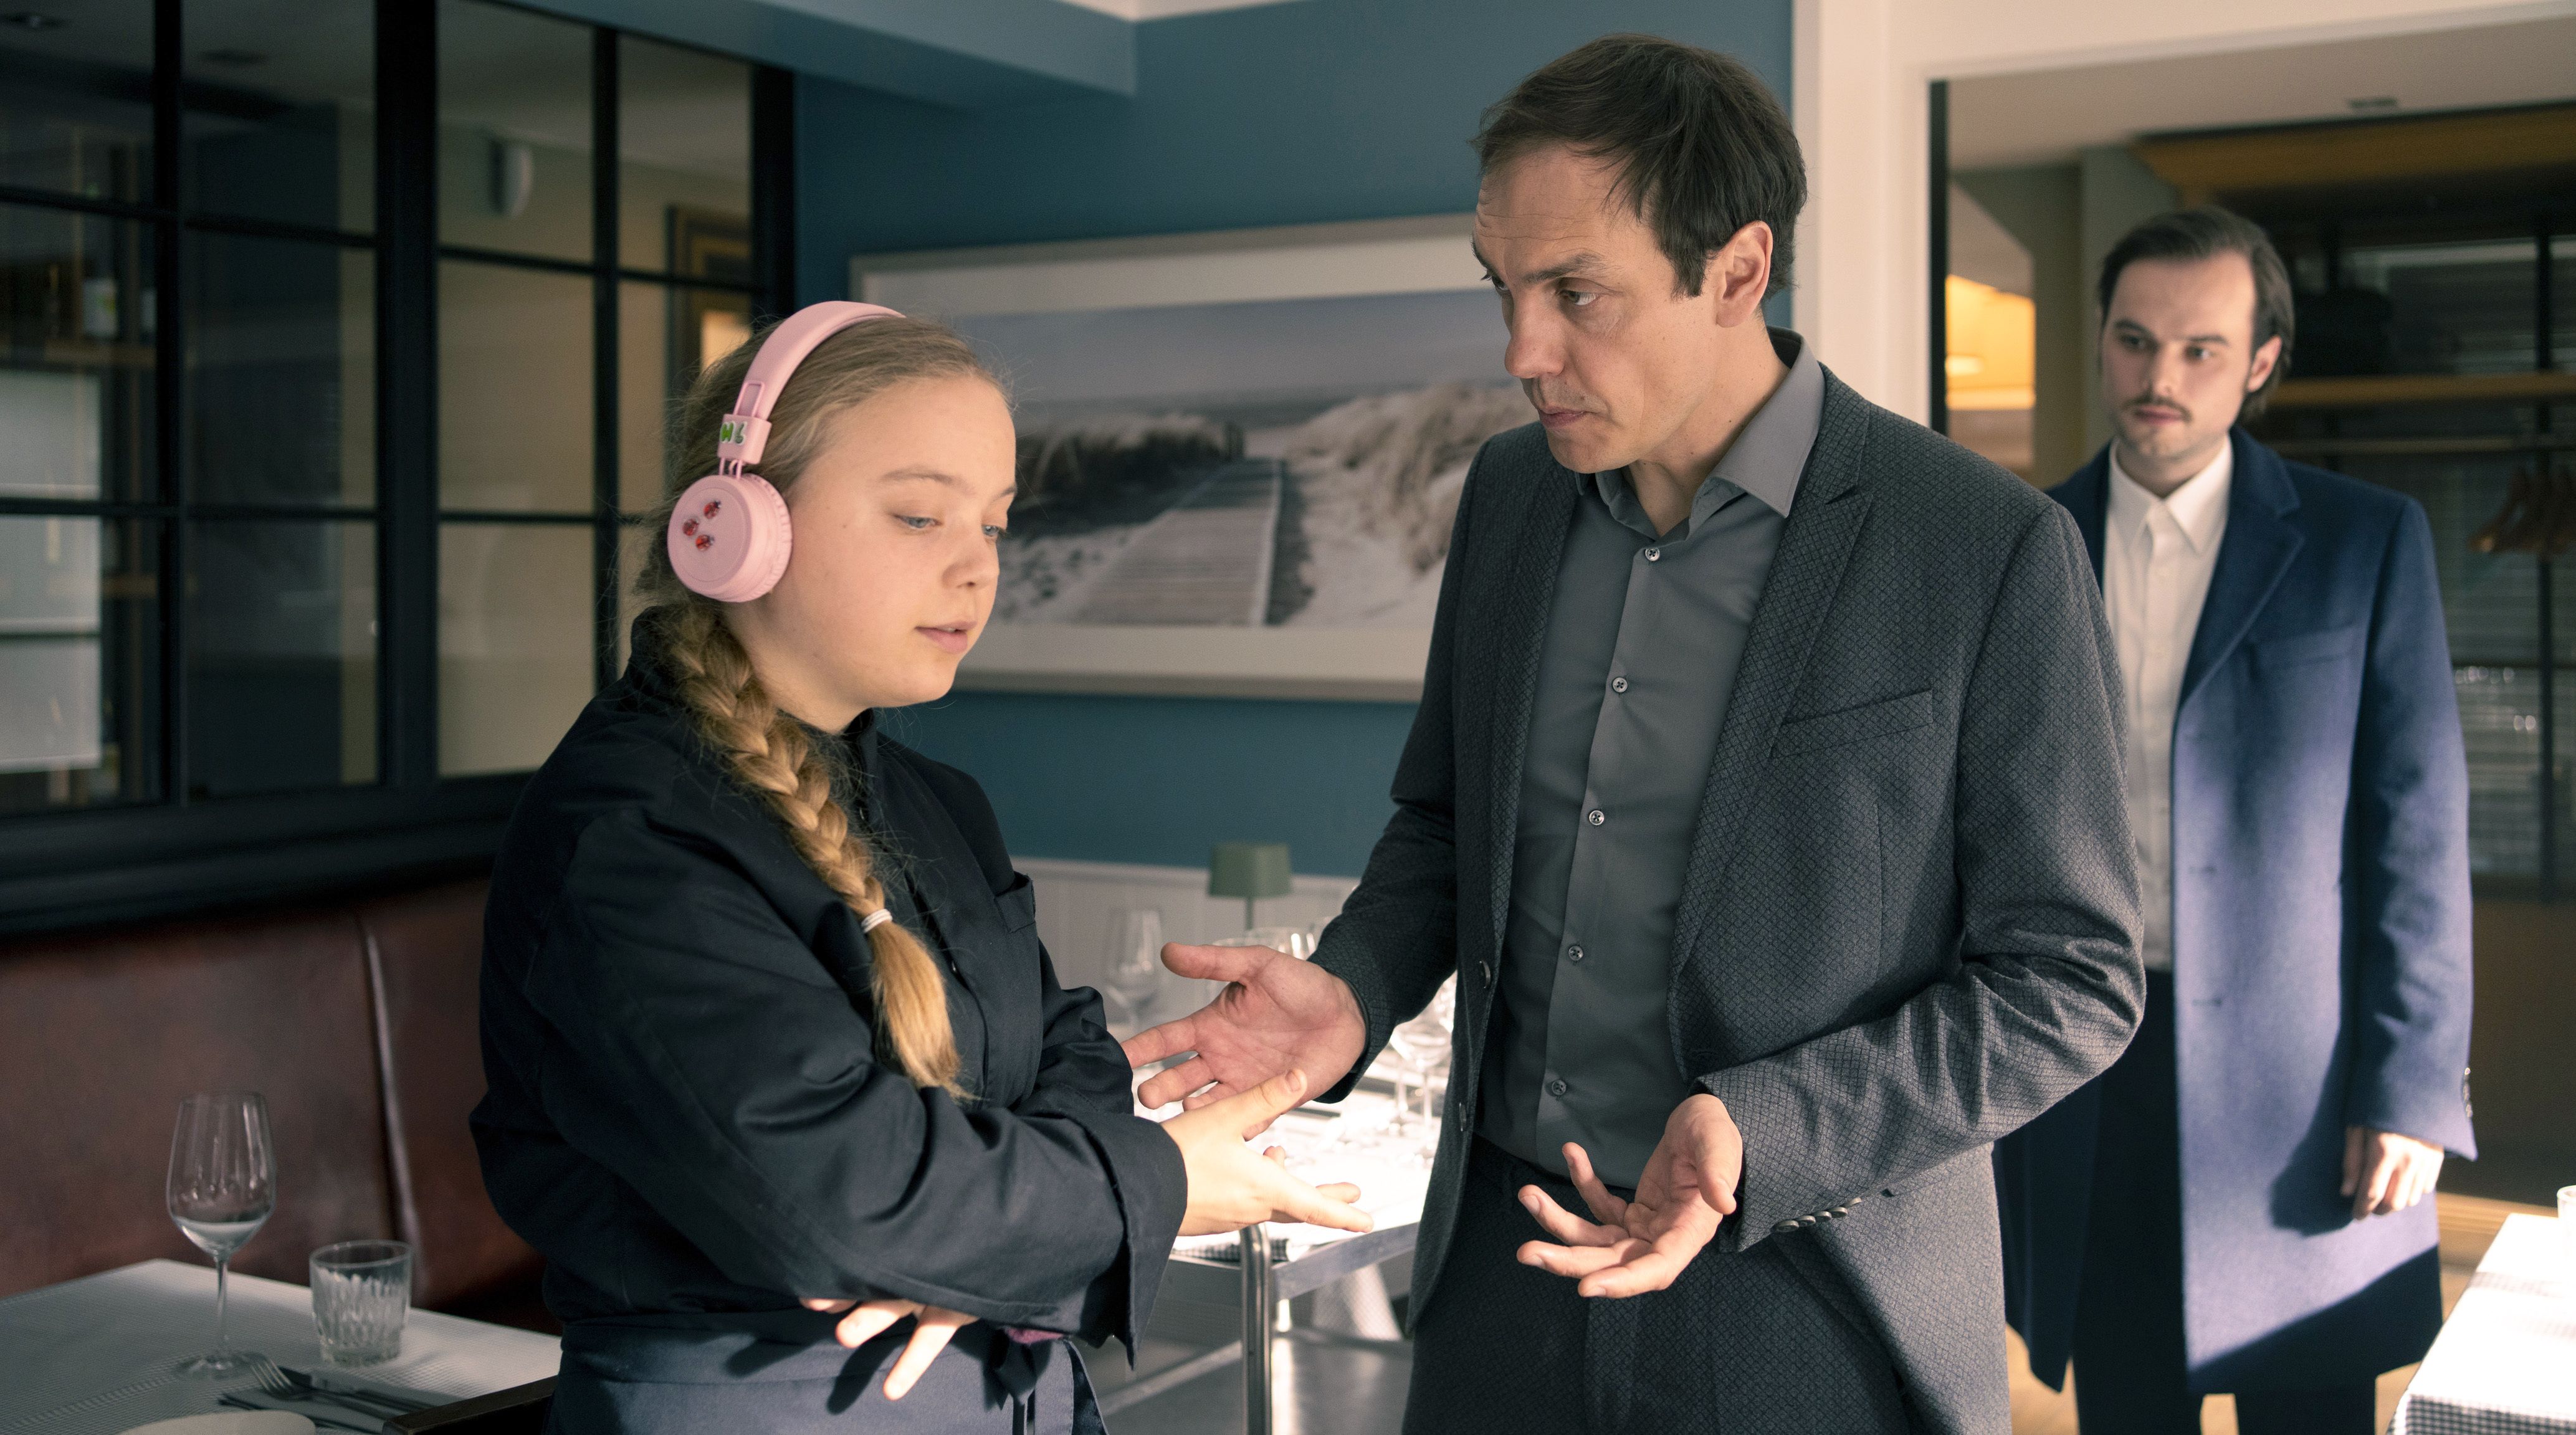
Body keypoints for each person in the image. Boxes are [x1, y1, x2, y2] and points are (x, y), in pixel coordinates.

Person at [1123, 36, 2142, 1435]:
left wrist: (1767, 1131)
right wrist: (1354, 987)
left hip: (1806, 1300)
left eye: (1576, 293)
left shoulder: (1983, 546)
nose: (1521, 351)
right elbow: (1448, 827)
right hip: (1498, 1288)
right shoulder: (1507, 498)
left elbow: (2070, 980)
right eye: (1503, 289)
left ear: (1738, 270)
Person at [472, 302, 1370, 1433]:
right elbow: (840, 1195)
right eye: (917, 516)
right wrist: (1156, 1185)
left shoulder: (939, 803)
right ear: (737, 523)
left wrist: (970, 1248)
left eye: (994, 524)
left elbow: (1071, 1054)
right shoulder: (629, 832)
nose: (975, 569)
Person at [1995, 207, 2476, 1435]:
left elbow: (2417, 835)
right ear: (2101, 340)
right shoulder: (2018, 541)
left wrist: (2414, 1085)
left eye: (2200, 348)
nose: (2159, 376)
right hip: (2085, 1064)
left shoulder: (2366, 540)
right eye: (2134, 340)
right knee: (2126, 1410)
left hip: (2300, 1084)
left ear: (2261, 360)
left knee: (2308, 1415)